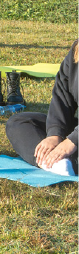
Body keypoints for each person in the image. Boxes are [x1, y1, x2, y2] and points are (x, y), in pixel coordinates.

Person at [6, 43, 79, 174]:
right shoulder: (76, 50)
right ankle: (56, 163)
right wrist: (55, 134)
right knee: (19, 122)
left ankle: (66, 162)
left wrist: (73, 141)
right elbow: (62, 97)